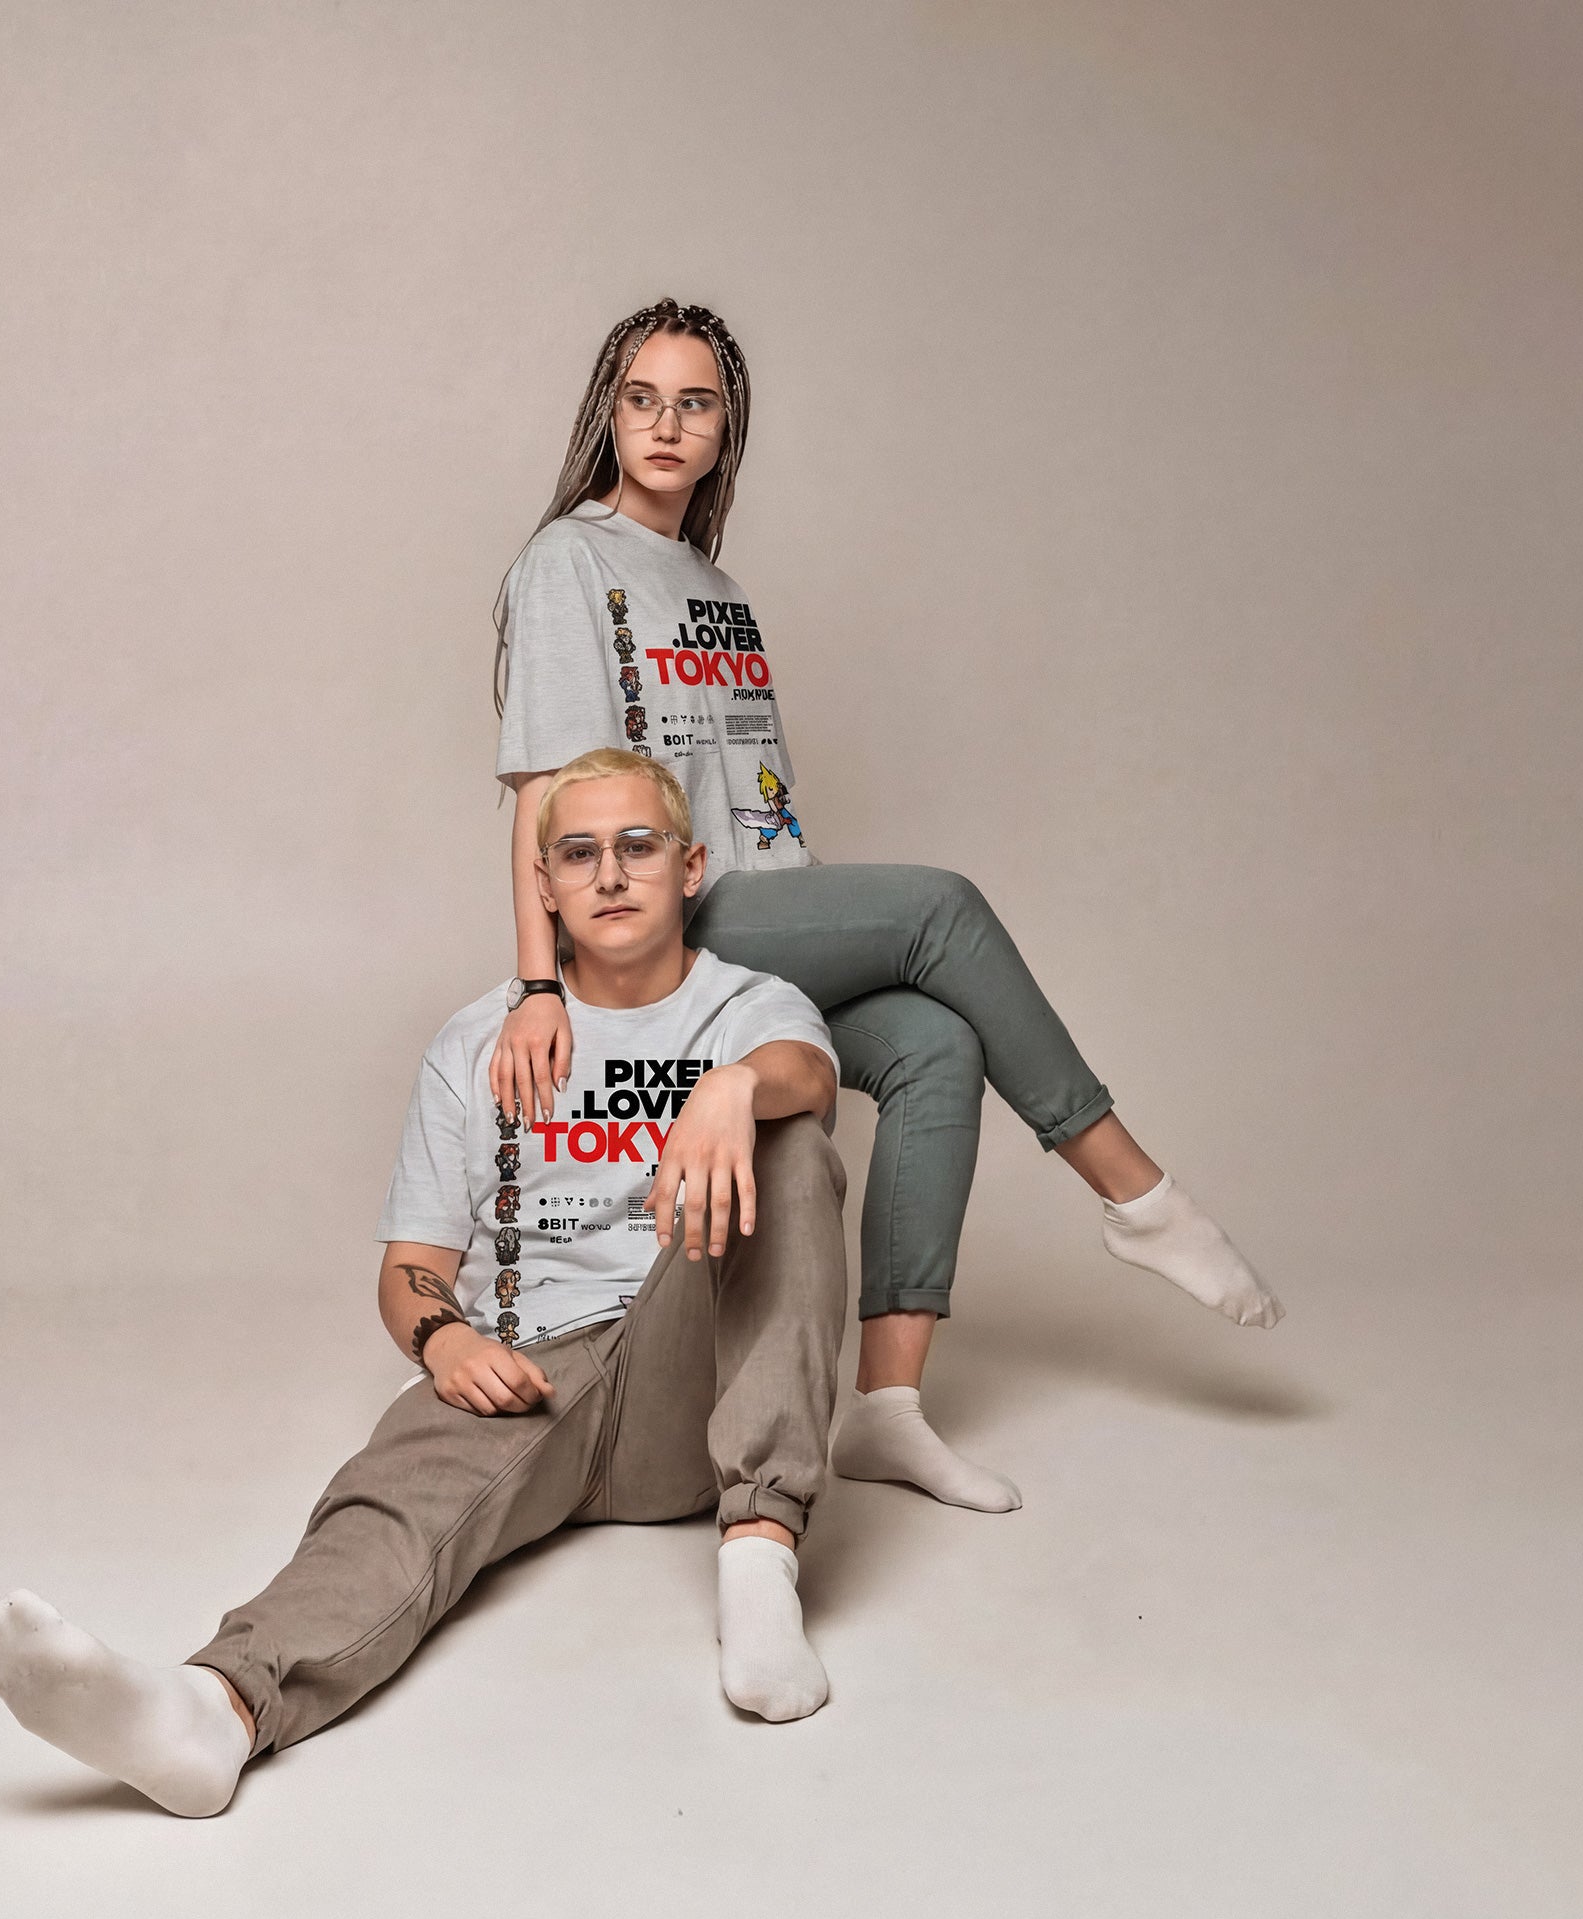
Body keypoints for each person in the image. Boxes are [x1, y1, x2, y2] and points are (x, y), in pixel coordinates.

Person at [492, 298, 1282, 1515]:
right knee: (944, 908)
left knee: (935, 1042)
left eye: (695, 402)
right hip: (666, 922)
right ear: (607, 412)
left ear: (724, 429)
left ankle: (891, 1410)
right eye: (641, 398)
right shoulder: (570, 563)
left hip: (763, 909)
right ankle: (1138, 1195)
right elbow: (544, 791)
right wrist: (545, 983)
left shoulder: (714, 583)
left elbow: (753, 786)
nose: (665, 424)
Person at [0, 750, 851, 1816]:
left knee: (793, 1146)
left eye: (638, 847)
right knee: (390, 1499)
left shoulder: (751, 1007)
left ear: (691, 865)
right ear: (545, 888)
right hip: (533, 1371)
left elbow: (812, 1077)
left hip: (696, 1376)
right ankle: (212, 1713)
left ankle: (761, 1563)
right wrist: (445, 1344)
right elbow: (412, 1273)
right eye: (578, 853)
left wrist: (735, 1086)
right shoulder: (477, 1041)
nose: (611, 876)